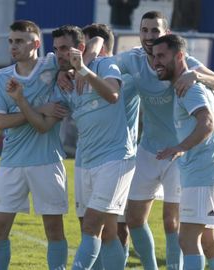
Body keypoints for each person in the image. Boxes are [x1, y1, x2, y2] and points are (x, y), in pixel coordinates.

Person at [111, 11, 214, 270]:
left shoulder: (183, 64)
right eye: (144, 30)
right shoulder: (133, 60)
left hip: (183, 158)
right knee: (134, 218)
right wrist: (72, 70)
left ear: (165, 34)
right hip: (151, 150)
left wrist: (198, 76)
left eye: (155, 31)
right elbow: (105, 67)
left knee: (178, 227)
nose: (148, 36)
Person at [51, 24, 134, 270]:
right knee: (104, 232)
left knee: (92, 226)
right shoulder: (63, 79)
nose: (59, 54)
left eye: (65, 48)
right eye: (55, 49)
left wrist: (84, 69)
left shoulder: (103, 65)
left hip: (115, 158)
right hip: (84, 161)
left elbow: (113, 94)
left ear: (81, 48)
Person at [0, 20, 68, 270]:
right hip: (11, 163)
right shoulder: (0, 77)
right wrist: (36, 109)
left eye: (20, 41)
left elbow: (81, 49)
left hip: (48, 160)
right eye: (11, 41)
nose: (13, 46)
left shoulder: (53, 65)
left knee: (54, 228)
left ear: (35, 43)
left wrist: (69, 71)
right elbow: (1, 122)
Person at [152, 34, 214, 270]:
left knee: (187, 240)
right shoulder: (191, 85)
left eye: (161, 56)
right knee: (209, 241)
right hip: (203, 173)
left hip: (202, 174)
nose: (156, 62)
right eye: (154, 56)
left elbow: (206, 122)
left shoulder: (190, 89)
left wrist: (180, 147)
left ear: (179, 56)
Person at [80, 23, 140, 268]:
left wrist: (89, 54)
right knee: (91, 225)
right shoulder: (86, 73)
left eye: (84, 44)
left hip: (119, 158)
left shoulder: (119, 73)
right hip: (90, 158)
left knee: (114, 226)